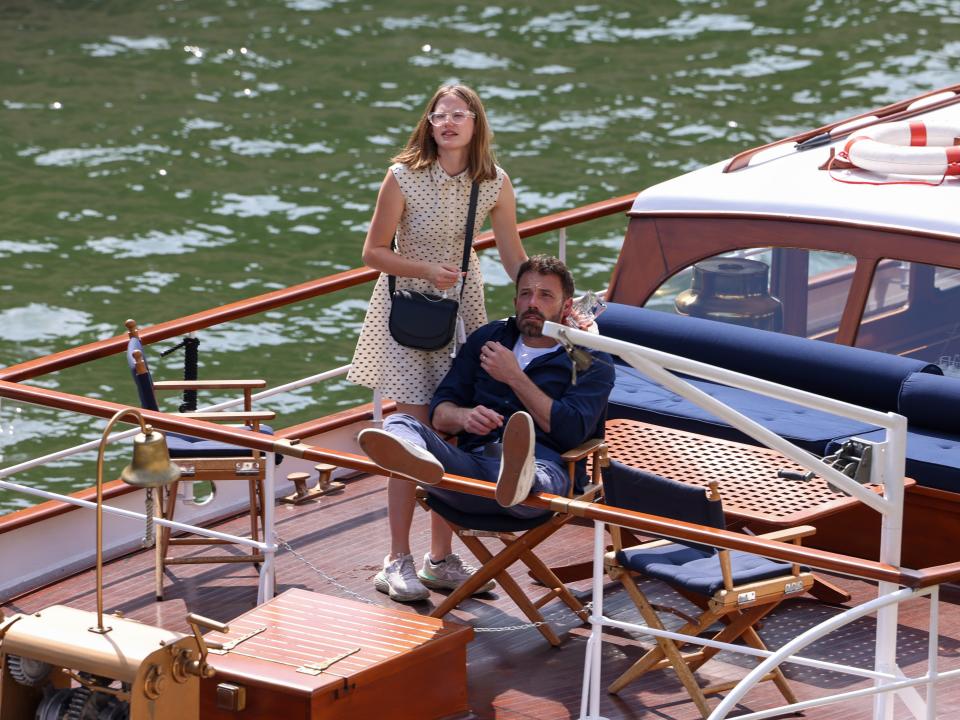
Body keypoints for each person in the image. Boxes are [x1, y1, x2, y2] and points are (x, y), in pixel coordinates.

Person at [347, 83, 527, 601]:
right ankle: (395, 558)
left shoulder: (492, 181)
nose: (446, 123)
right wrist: (426, 269)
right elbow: (373, 253)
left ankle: (440, 558)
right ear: (429, 125)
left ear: (476, 124)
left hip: (463, 307)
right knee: (409, 434)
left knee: (450, 428)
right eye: (438, 116)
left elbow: (513, 254)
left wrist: (544, 298)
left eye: (457, 115)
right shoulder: (403, 176)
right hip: (407, 312)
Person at [358, 256, 615, 602]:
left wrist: (514, 376)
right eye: (525, 294)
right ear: (514, 300)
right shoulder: (489, 338)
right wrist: (463, 418)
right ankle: (420, 463)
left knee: (533, 472)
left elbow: (571, 433)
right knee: (402, 422)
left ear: (567, 306)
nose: (532, 304)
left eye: (544, 296)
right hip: (473, 469)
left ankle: (516, 477)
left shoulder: (589, 359)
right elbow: (440, 412)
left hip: (543, 476)